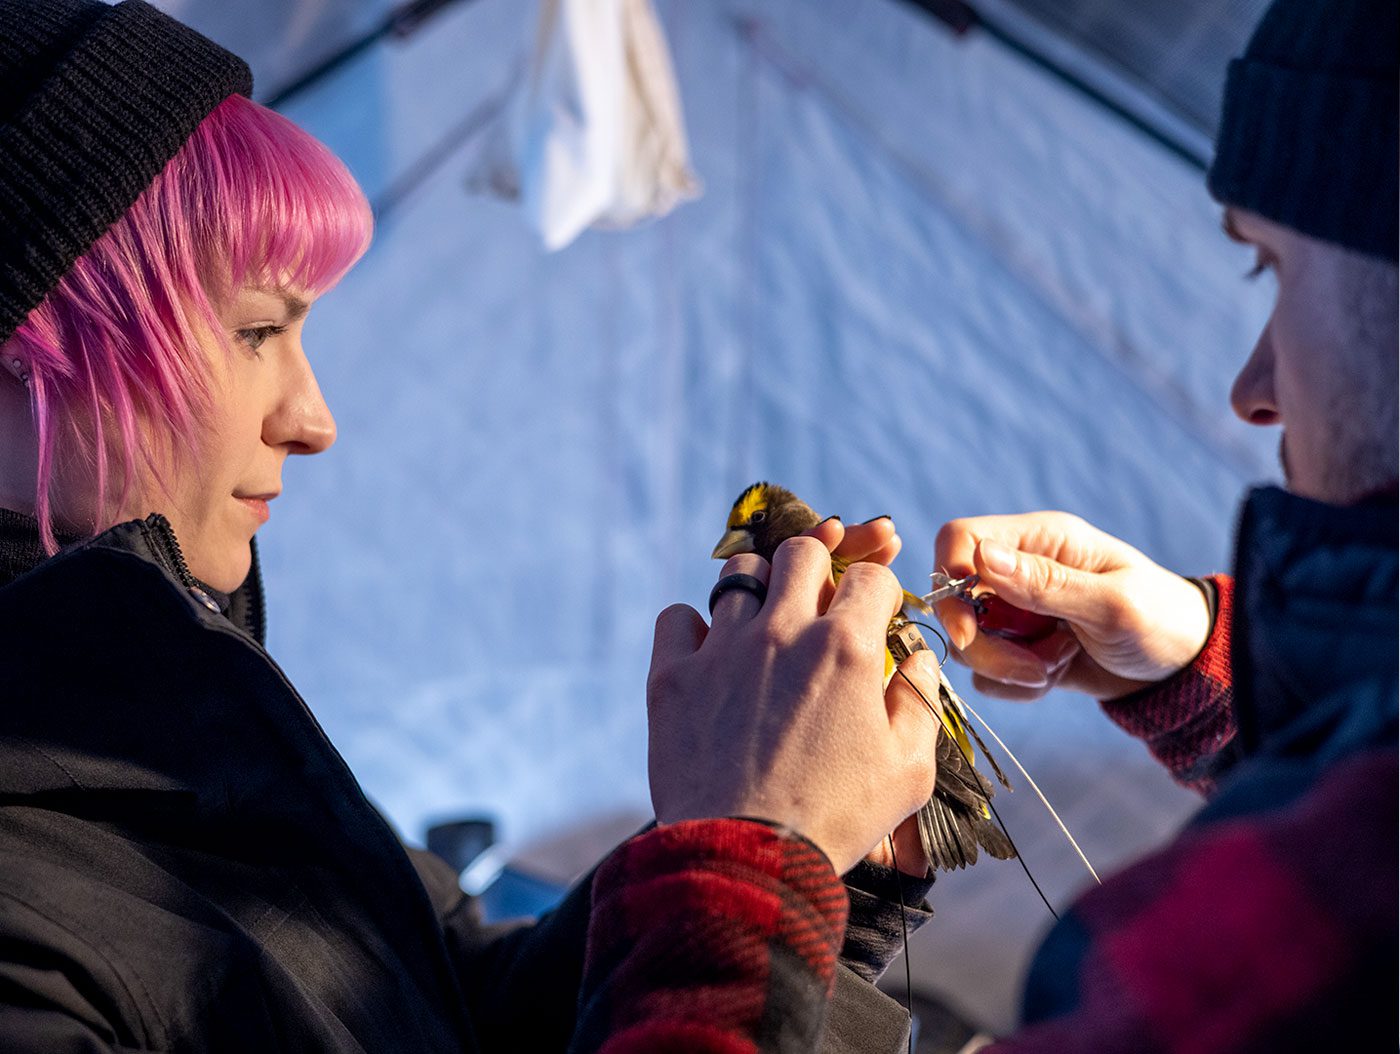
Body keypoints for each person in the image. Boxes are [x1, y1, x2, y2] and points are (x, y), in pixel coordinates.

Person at [0, 2, 943, 1051]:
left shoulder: (183, 720)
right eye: (257, 329)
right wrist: (752, 856)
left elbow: (456, 1009)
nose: (314, 421)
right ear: (19, 351)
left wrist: (803, 845)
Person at [658, 0, 1396, 1048]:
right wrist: (1195, 666)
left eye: (1270, 267)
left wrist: (737, 857)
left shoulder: (1297, 937)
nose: (1251, 389)